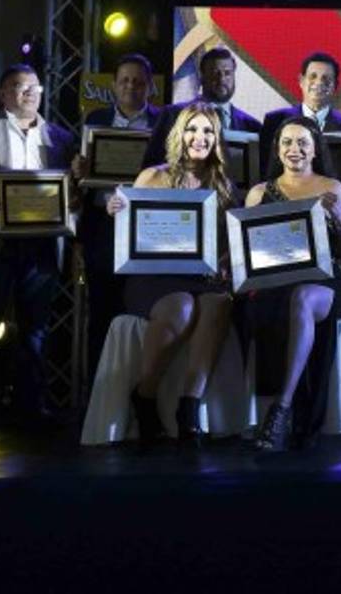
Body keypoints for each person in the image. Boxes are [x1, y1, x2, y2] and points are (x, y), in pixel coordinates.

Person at [105, 102, 237, 445]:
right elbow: (128, 228)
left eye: (208, 131)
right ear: (180, 134)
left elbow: (227, 245)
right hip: (152, 276)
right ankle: (145, 396)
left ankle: (189, 405)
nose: (200, 137)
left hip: (200, 278)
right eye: (193, 129)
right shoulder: (153, 176)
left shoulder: (222, 185)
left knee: (219, 304)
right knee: (181, 306)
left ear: (217, 139)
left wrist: (224, 259)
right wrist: (115, 209)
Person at [0, 65, 77, 433]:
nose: (27, 93)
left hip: (42, 248)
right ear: (2, 92)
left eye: (34, 87)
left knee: (36, 331)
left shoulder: (61, 138)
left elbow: (72, 193)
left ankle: (31, 406)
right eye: (17, 86)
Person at [244, 116, 341, 451]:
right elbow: (248, 251)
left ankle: (281, 408)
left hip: (331, 283)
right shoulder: (257, 194)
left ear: (314, 150)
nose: (294, 149)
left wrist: (340, 221)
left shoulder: (333, 189)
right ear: (277, 149)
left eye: (302, 143)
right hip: (276, 283)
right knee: (283, 299)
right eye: (286, 143)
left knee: (303, 298)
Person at [78, 54, 162, 375]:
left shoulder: (162, 122)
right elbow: (82, 179)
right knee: (101, 310)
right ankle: (98, 393)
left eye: (139, 81)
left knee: (140, 310)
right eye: (125, 80)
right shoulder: (94, 120)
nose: (131, 86)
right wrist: (79, 170)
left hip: (148, 231)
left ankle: (138, 388)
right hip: (103, 228)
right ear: (114, 85)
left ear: (150, 87)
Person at [142, 47, 260, 168]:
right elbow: (152, 165)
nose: (221, 79)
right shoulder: (172, 115)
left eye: (227, 73)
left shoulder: (253, 126)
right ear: (202, 77)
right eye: (215, 73)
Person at [258, 52, 341, 175]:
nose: (319, 83)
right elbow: (264, 169)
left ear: (335, 85)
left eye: (326, 78)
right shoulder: (275, 121)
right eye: (312, 76)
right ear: (301, 81)